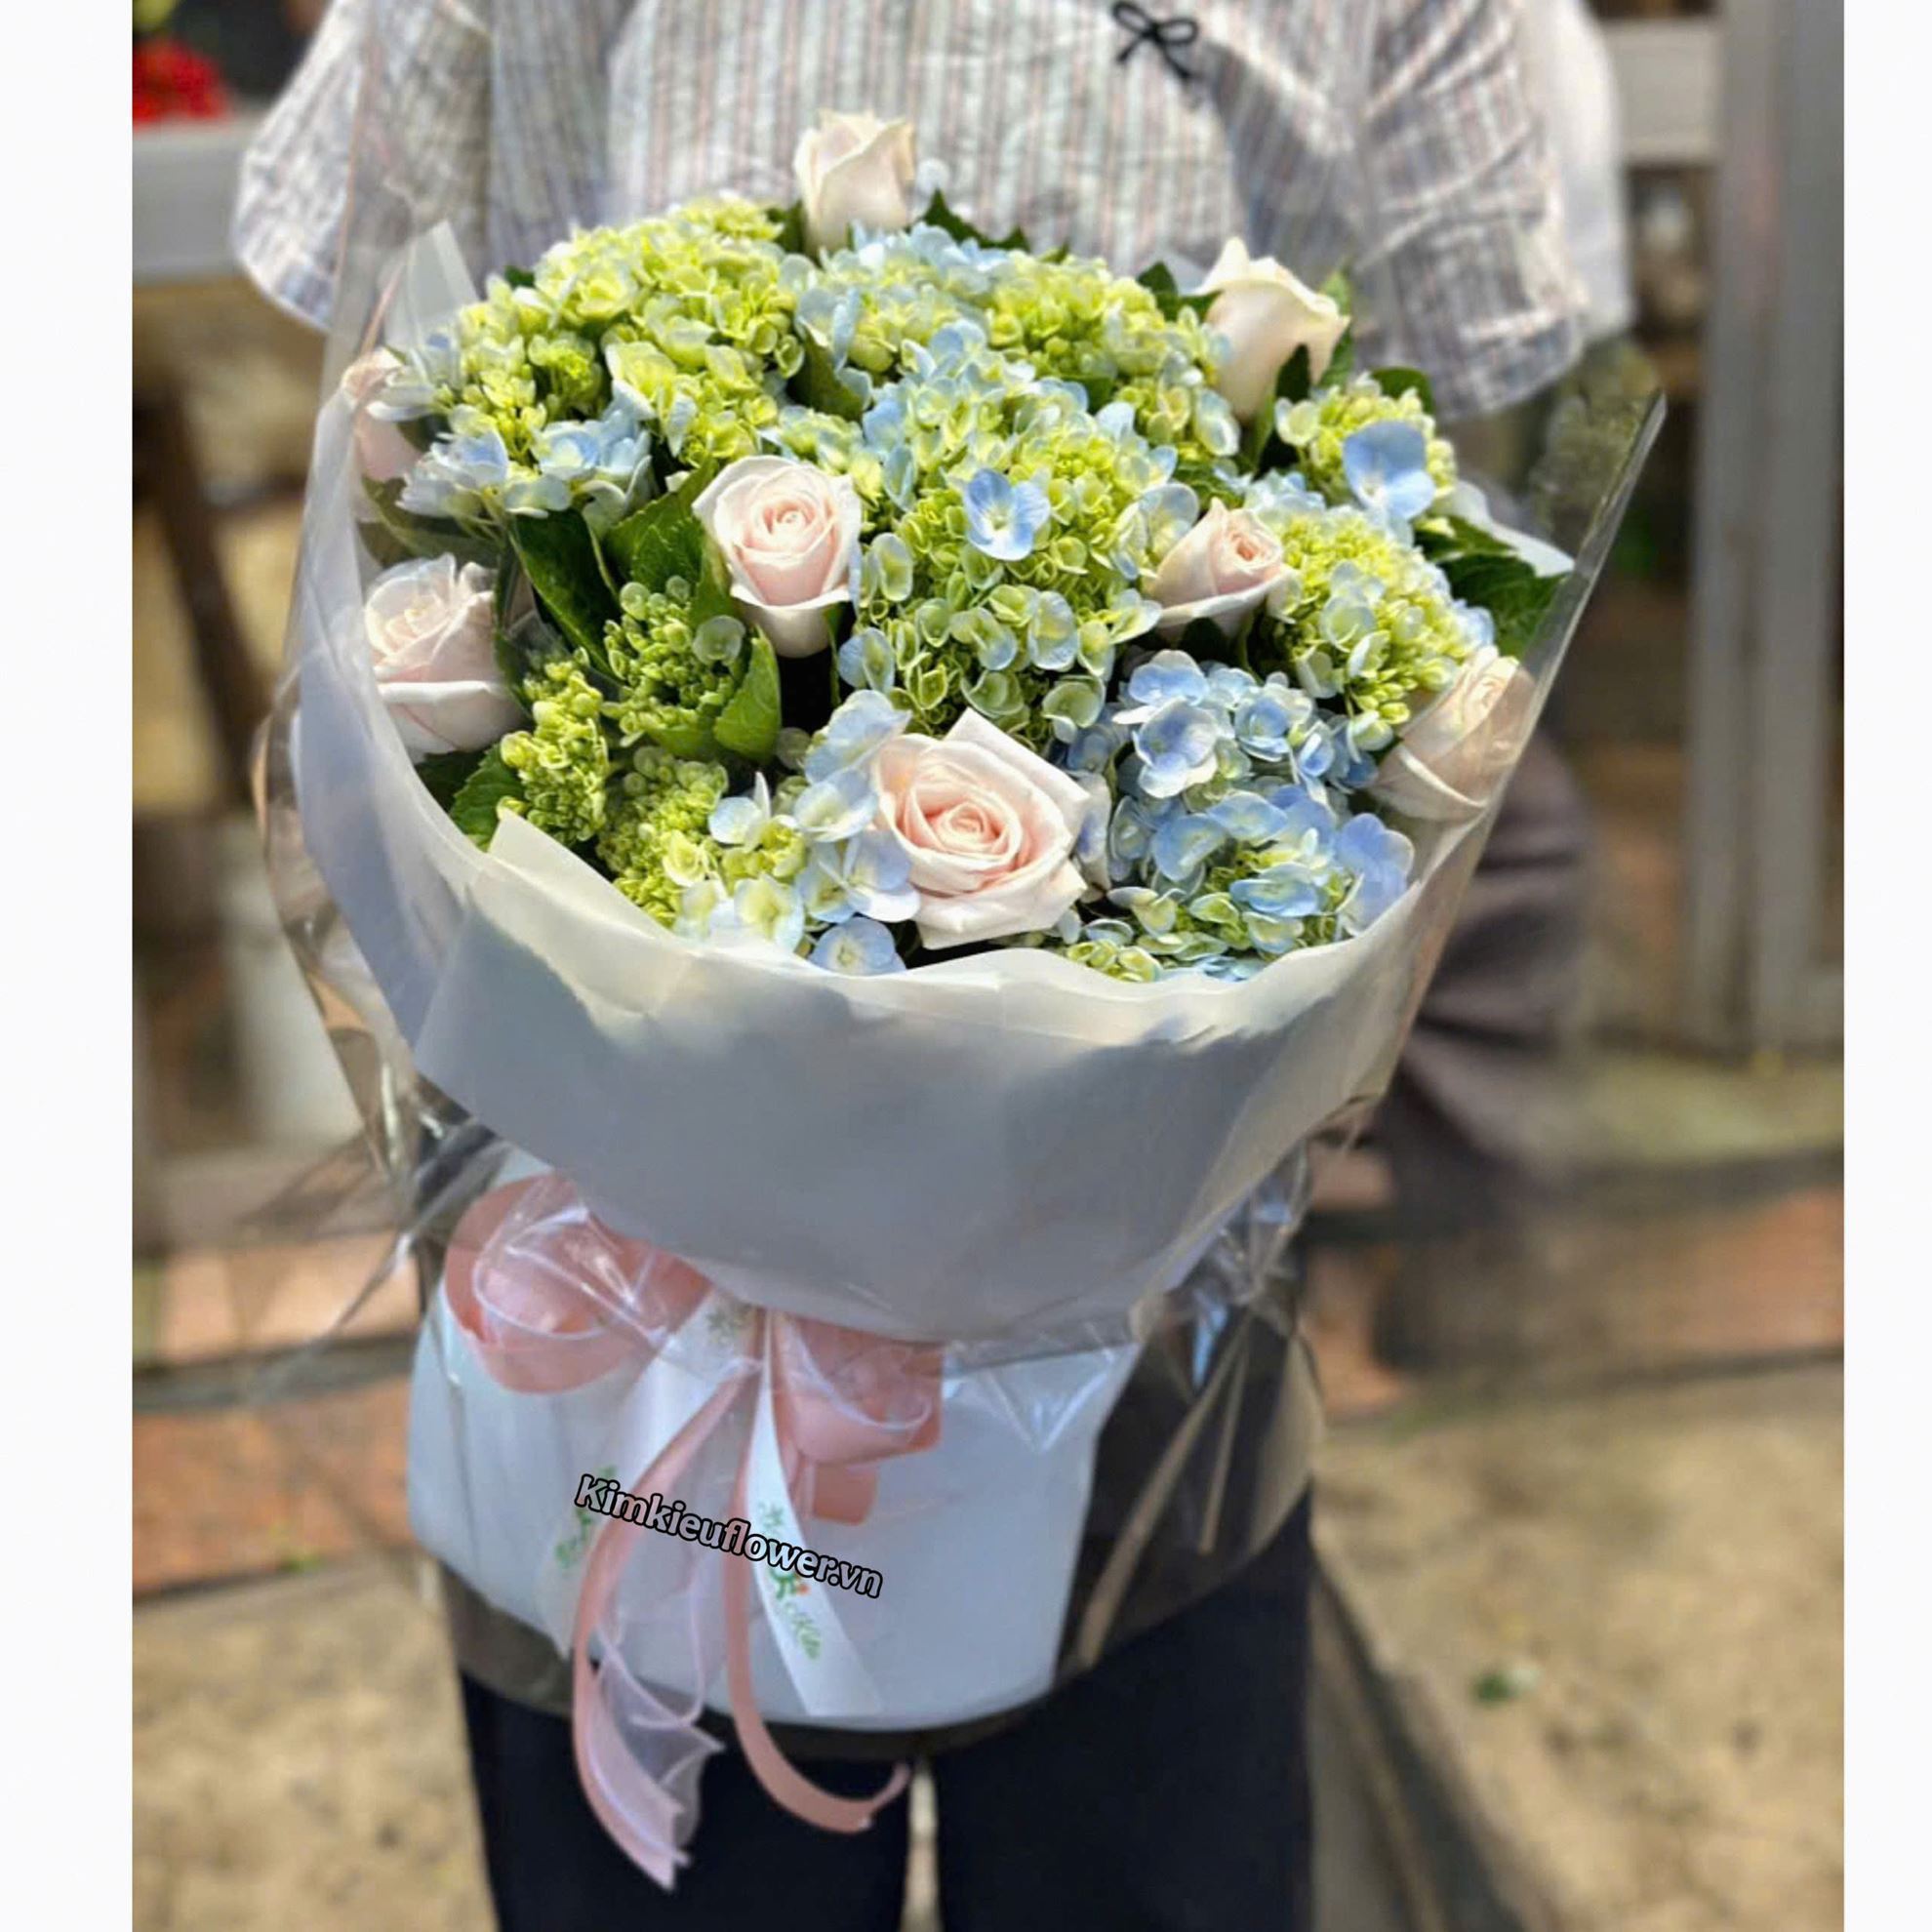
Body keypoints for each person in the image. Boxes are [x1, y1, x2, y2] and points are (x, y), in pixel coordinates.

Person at [237, 4, 1586, 1925]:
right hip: (620, 1202)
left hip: (1151, 1228)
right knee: (680, 1877)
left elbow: (1450, 420)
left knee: (1149, 1837)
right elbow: (382, 345)